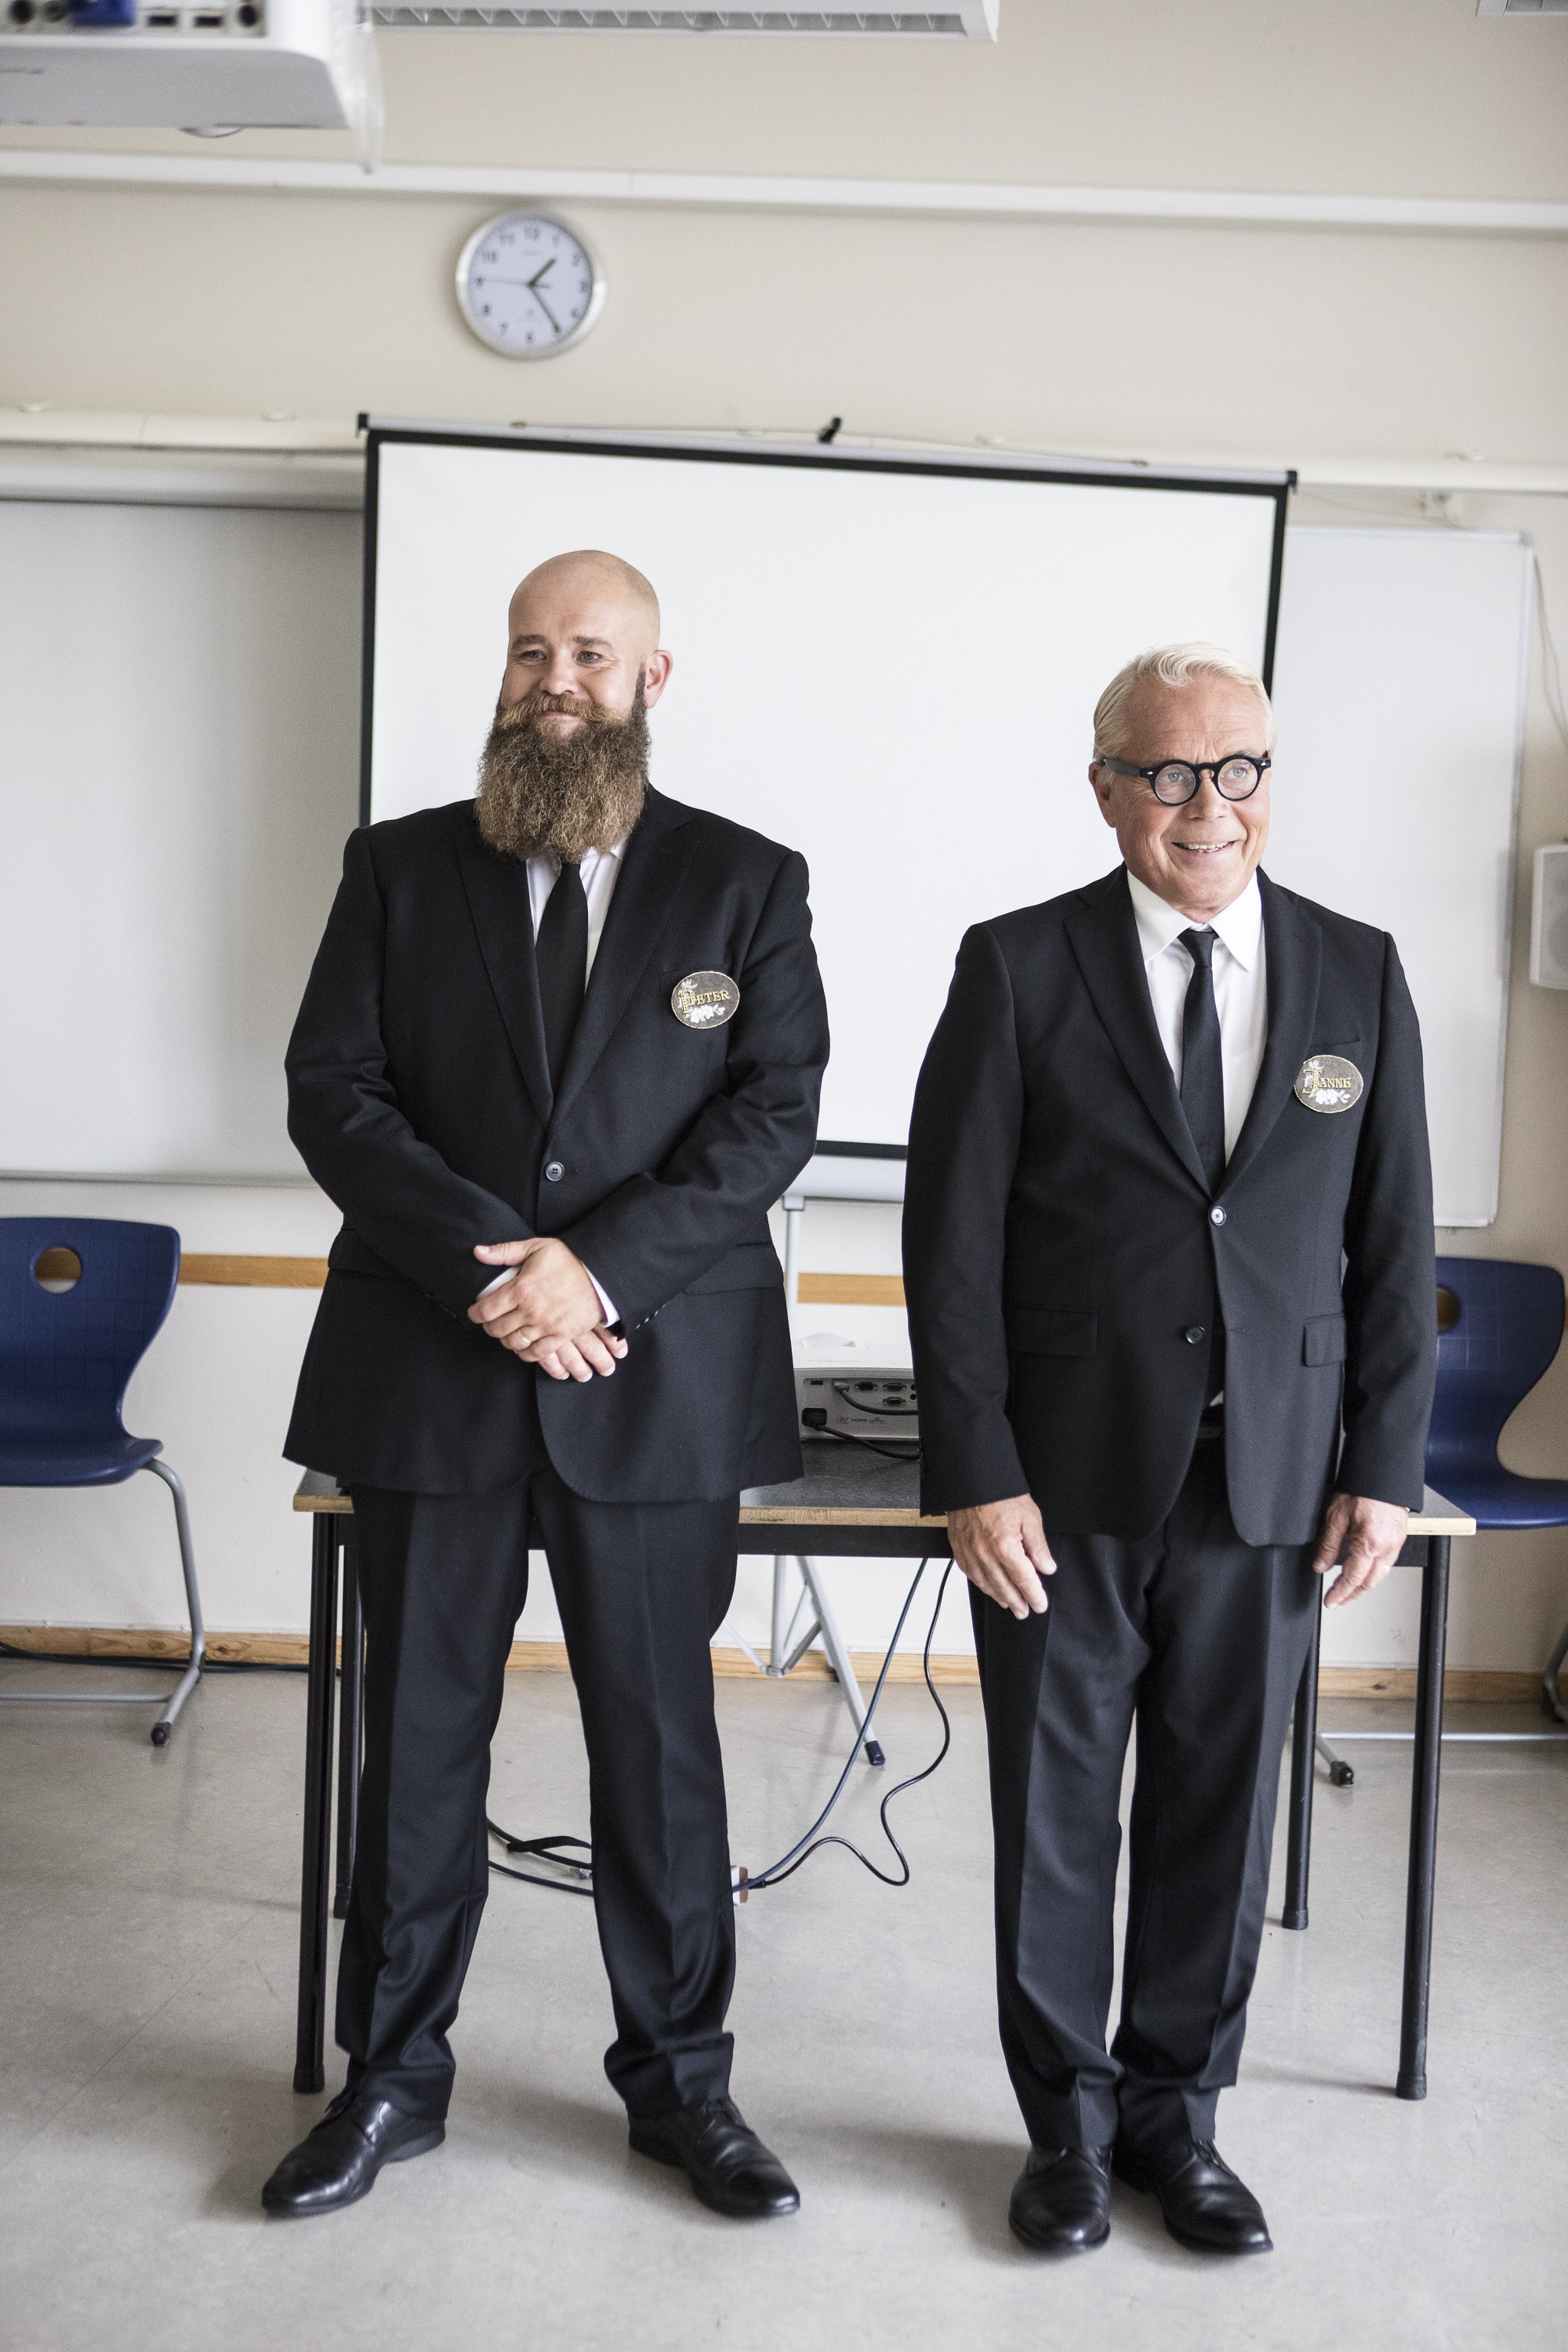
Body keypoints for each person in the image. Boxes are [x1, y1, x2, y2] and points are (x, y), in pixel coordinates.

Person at [263, 550, 829, 2223]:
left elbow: (772, 1113)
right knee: (416, 1748)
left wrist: (599, 1271)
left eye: (589, 652)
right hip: (433, 1370)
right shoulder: (397, 866)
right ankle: (391, 2081)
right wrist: (497, 1273)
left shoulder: (747, 881)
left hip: (650, 1377)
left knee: (658, 1754)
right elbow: (334, 1093)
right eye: (530, 652)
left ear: (653, 678)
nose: (554, 680)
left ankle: (683, 2090)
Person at [902, 643, 1435, 2259]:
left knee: (1220, 1814)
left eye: (1239, 769)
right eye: (1169, 773)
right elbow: (951, 1241)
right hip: (1059, 1488)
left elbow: (1392, 1243)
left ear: (1270, 780)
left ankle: (1175, 2125)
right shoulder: (1018, 965)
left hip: (1268, 1482)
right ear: (1107, 790)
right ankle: (1064, 2135)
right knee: (1054, 1817)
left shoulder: (1356, 970)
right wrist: (975, 1465)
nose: (1209, 805)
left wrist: (1384, 1462)